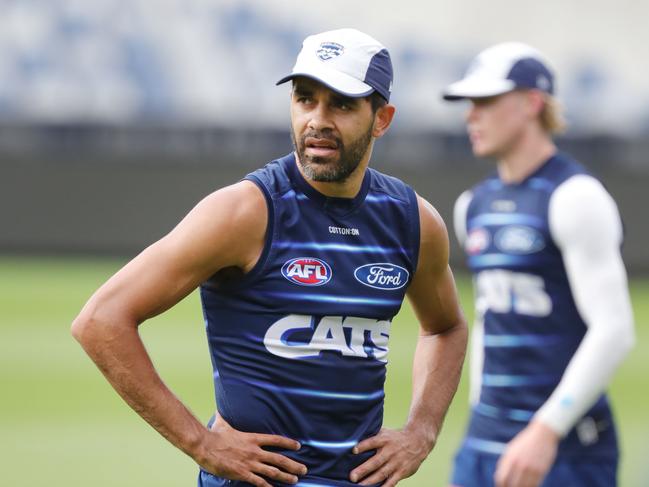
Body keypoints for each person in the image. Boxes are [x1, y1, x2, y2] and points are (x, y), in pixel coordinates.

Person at [72, 28, 468, 487]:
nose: (317, 119)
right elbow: (101, 320)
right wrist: (201, 444)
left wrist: (422, 431)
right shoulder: (245, 212)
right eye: (305, 99)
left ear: (382, 119)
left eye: (340, 104)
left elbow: (446, 326)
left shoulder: (412, 220)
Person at [441, 42, 635, 487]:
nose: (471, 115)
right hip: (484, 445)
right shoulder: (473, 205)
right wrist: (477, 423)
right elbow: (489, 323)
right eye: (468, 103)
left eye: (486, 101)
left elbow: (615, 330)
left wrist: (547, 429)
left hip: (564, 452)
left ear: (532, 102)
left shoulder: (575, 196)